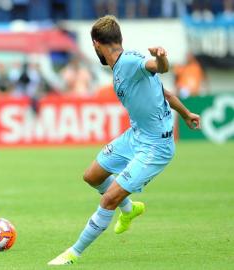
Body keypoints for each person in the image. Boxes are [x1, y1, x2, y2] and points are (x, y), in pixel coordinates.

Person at [48, 15, 201, 265]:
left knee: (109, 199)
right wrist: (186, 114)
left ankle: (72, 253)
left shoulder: (130, 61)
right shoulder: (119, 66)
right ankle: (130, 210)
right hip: (135, 136)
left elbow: (159, 67)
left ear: (96, 44)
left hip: (155, 146)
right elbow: (165, 91)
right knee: (92, 176)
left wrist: (162, 57)